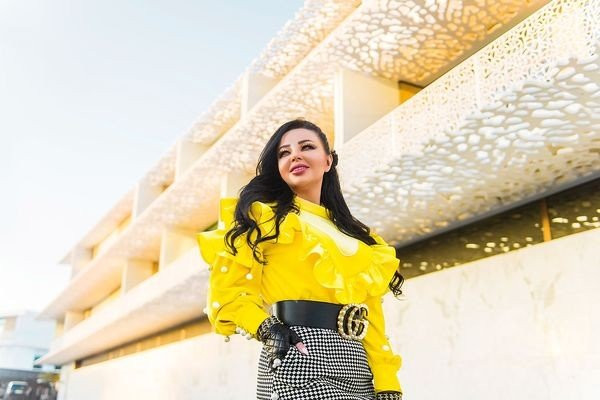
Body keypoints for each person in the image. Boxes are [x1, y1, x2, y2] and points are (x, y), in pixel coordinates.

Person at [197, 119, 405, 400]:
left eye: (306, 147)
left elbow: (370, 313)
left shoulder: (357, 236)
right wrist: (267, 329)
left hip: (357, 362)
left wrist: (387, 380)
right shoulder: (262, 217)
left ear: (328, 161)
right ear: (279, 167)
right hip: (299, 351)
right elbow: (228, 295)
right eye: (284, 153)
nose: (295, 155)